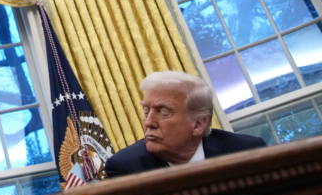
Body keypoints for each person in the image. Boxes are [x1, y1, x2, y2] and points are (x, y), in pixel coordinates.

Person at [105, 71, 265, 177]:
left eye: (164, 112)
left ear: (198, 125)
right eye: (146, 111)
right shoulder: (126, 168)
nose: (148, 122)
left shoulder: (247, 152)